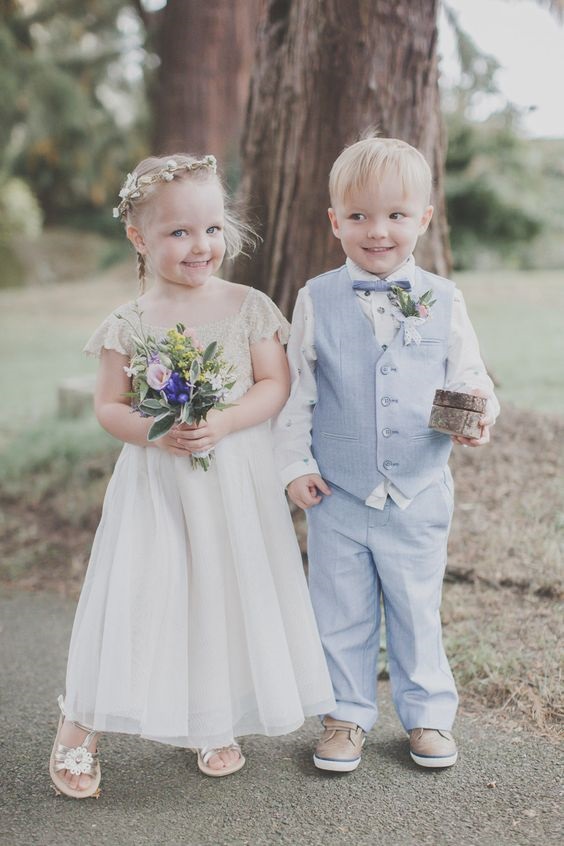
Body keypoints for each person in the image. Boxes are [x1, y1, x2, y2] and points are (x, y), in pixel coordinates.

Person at [49, 153, 335, 798]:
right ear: (139, 238)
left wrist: (228, 422)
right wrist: (158, 430)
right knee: (140, 589)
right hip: (157, 483)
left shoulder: (248, 306)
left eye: (210, 227)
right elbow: (109, 406)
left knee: (222, 590)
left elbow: (274, 385)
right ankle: (80, 722)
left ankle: (213, 718)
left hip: (233, 482)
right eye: (178, 232)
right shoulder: (130, 322)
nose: (199, 245)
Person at [273, 136, 499, 773]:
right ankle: (344, 713)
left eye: (397, 215)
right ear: (335, 221)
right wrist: (295, 466)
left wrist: (477, 418)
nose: (378, 231)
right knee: (338, 611)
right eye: (360, 216)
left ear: (424, 219)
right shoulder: (317, 298)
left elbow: (474, 377)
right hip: (337, 494)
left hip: (419, 492)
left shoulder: (445, 299)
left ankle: (427, 716)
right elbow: (298, 394)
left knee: (415, 607)